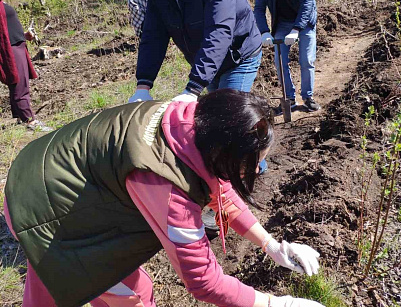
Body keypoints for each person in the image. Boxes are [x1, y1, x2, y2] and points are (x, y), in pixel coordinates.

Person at [5, 89, 325, 307]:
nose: (258, 168)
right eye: (252, 162)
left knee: (52, 279)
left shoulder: (190, 121)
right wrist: (274, 302)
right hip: (48, 208)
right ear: (226, 153)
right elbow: (203, 281)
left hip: (41, 175)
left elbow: (220, 191)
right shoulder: (169, 190)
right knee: (135, 295)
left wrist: (272, 245)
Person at [128, 0, 262, 107]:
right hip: (209, 62)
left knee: (227, 115)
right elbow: (153, 37)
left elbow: (219, 31)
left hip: (238, 56)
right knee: (217, 117)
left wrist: (193, 88)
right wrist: (143, 86)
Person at [253, 0, 321, 113]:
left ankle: (308, 97)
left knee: (306, 60)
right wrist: (264, 32)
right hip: (282, 23)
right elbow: (259, 8)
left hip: (304, 21)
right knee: (279, 60)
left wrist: (297, 29)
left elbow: (307, 2)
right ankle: (289, 99)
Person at [0, 0, 51, 131]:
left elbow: (6, 28)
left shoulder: (2, 4)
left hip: (18, 45)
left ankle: (21, 118)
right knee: (20, 84)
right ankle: (30, 121)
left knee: (19, 83)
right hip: (11, 50)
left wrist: (24, 35)